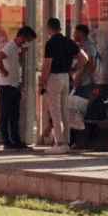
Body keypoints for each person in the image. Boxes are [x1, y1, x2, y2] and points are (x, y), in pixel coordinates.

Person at [39, 18, 80, 149]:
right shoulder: (69, 42)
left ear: (49, 28)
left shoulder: (50, 43)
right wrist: (73, 69)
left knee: (55, 111)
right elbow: (84, 58)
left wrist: (42, 82)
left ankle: (59, 142)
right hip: (65, 77)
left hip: (54, 78)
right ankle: (67, 140)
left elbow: (47, 65)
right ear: (60, 28)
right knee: (64, 109)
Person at [0, 26, 35, 151]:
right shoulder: (10, 46)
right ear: (22, 37)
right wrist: (3, 71)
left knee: (14, 115)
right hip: (6, 86)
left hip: (13, 85)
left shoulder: (16, 48)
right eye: (27, 39)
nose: (27, 42)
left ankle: (15, 140)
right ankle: (7, 141)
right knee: (5, 114)